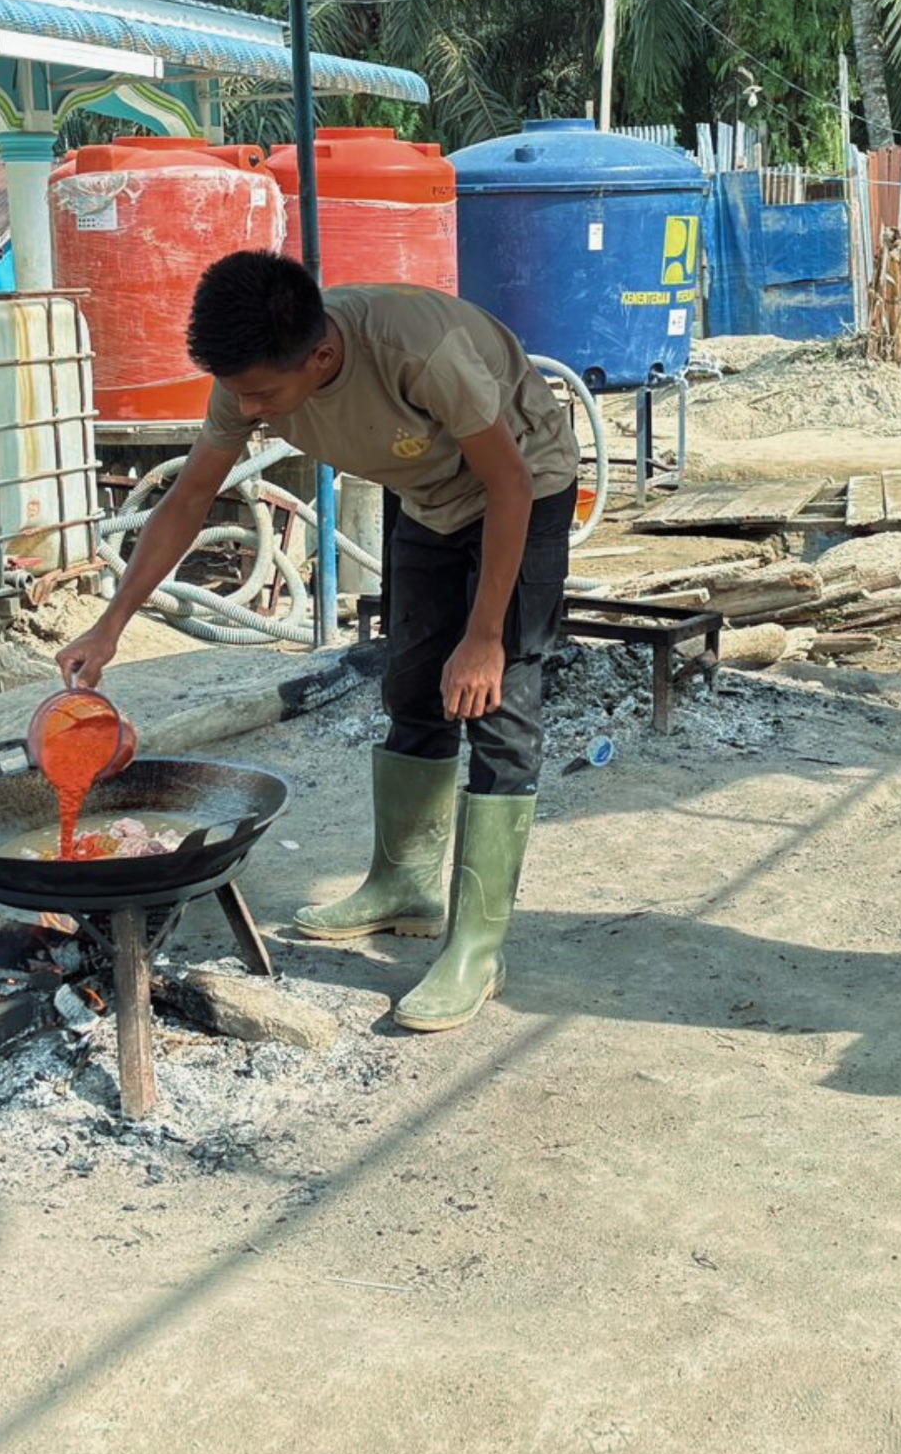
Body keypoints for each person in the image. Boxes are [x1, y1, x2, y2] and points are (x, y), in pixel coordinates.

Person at [59, 253, 580, 1033]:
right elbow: (190, 496)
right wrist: (110, 625)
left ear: (324, 357)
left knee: (494, 703)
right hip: (429, 499)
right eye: (239, 393)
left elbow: (505, 482)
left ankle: (478, 945)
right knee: (411, 685)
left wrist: (482, 636)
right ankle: (403, 884)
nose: (249, 408)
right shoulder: (250, 375)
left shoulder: (418, 350)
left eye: (263, 394)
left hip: (521, 488)